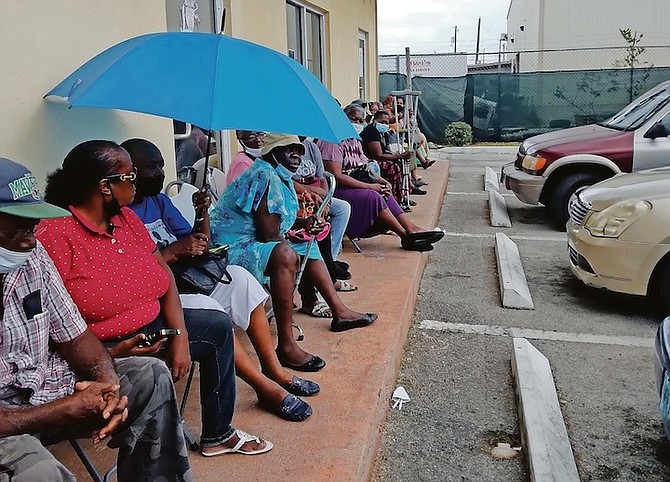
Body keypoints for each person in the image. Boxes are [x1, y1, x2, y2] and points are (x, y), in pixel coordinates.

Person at [39, 140, 272, 456]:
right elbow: (53, 323)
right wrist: (113, 353)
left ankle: (218, 434)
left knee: (215, 326)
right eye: (129, 176)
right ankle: (153, 453)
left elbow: (165, 281)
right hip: (100, 350)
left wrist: (180, 336)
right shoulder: (55, 234)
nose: (135, 182)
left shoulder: (126, 220)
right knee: (153, 374)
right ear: (105, 187)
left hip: (155, 328)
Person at [0, 157, 193, 481]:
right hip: (8, 420)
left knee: (151, 375)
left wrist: (108, 384)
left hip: (48, 384)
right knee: (44, 474)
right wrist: (62, 409)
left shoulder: (31, 257)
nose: (31, 238)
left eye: (33, 226)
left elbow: (75, 336)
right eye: (19, 225)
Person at [122, 138, 318, 421]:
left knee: (241, 280)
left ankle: (273, 367)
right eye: (151, 167)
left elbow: (200, 239)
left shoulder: (159, 201)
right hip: (161, 292)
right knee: (212, 313)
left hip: (189, 277)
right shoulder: (122, 216)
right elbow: (134, 274)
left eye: (162, 166)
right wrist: (173, 252)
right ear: (131, 170)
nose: (160, 174)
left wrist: (201, 214)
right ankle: (263, 387)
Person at [209, 133, 378, 371]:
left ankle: (339, 312)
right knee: (285, 254)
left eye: (298, 150)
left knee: (302, 243)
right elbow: (268, 235)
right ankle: (286, 345)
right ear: (272, 152)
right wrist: (292, 239)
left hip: (249, 240)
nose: (296, 155)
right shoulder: (264, 175)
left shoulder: (280, 175)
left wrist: (305, 224)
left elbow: (274, 224)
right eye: (288, 149)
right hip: (226, 251)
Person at [317, 104, 444, 252]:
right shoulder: (332, 142)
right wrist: (371, 186)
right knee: (373, 195)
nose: (357, 123)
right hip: (339, 189)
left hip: (357, 184)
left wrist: (383, 182)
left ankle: (411, 227)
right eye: (353, 119)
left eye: (360, 120)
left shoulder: (354, 140)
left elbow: (365, 168)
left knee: (384, 191)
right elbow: (337, 176)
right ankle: (405, 236)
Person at [294, 137, 354, 290]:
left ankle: (331, 261)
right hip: (299, 198)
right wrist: (313, 193)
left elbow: (322, 178)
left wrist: (326, 199)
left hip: (317, 195)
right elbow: (287, 181)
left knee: (342, 208)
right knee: (316, 222)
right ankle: (323, 272)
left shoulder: (311, 147)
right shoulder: (284, 148)